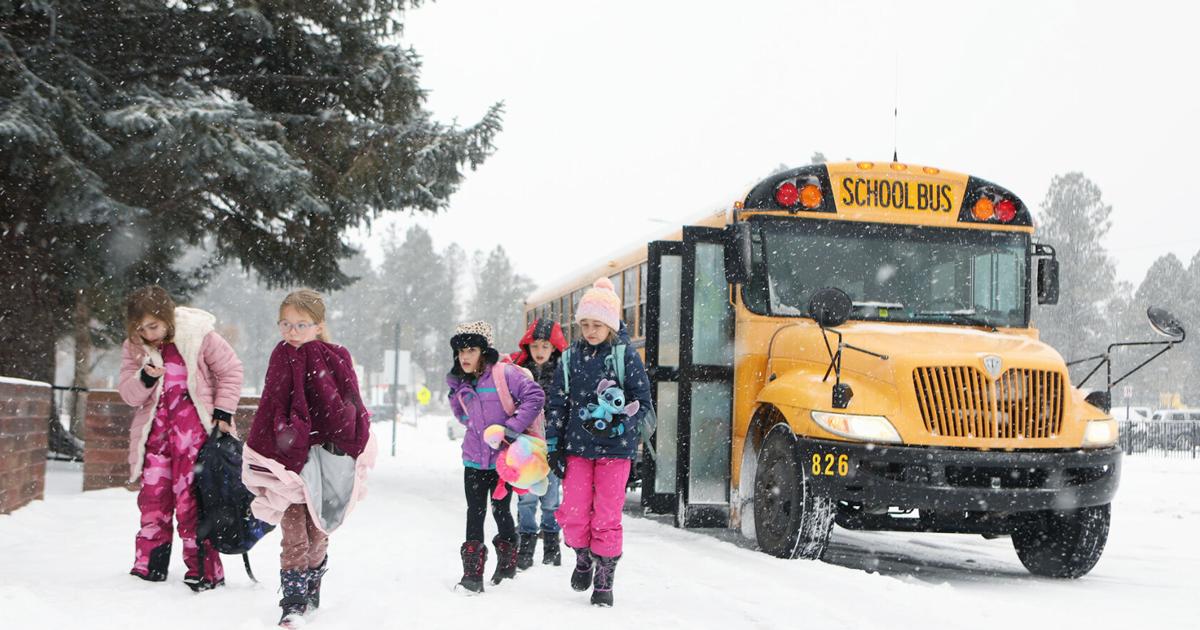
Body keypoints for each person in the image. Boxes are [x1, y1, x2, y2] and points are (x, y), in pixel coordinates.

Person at [242, 290, 376, 627]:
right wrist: (283, 434)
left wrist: (338, 431)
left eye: (301, 324)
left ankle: (313, 580)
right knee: (294, 536)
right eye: (286, 323)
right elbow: (273, 401)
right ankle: (293, 602)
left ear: (318, 325)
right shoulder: (281, 355)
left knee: (317, 534)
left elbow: (347, 400)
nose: (292, 331)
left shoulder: (335, 356)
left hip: (326, 457)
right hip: (289, 461)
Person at [117, 285, 243, 591]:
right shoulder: (135, 348)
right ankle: (150, 564)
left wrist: (223, 412)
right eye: (140, 328)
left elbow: (231, 370)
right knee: (153, 501)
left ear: (167, 318)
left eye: (153, 326)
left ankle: (203, 569)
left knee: (193, 504)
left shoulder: (198, 336)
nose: (147, 333)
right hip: (156, 441)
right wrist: (145, 378)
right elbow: (129, 395)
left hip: (195, 439)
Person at [547, 278, 652, 607]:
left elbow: (642, 401)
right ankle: (582, 556)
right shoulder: (569, 359)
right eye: (585, 324)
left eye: (598, 324)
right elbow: (556, 404)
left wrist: (621, 425)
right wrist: (553, 446)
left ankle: (605, 576)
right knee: (573, 512)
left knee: (607, 514)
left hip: (616, 451)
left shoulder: (625, 357)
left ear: (610, 325)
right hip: (577, 449)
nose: (590, 331)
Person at [448, 321, 545, 593]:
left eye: (471, 350)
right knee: (474, 511)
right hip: (473, 458)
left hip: (504, 460)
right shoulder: (461, 381)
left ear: (484, 351)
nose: (464, 356)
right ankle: (472, 575)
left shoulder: (505, 373)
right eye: (460, 351)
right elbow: (462, 414)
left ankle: (507, 561)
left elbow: (535, 396)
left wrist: (511, 429)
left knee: (501, 510)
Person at [509, 318, 568, 569]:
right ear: (528, 347)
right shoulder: (520, 373)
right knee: (526, 498)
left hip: (552, 444)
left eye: (545, 346)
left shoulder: (564, 374)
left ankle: (551, 545)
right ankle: (526, 543)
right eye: (535, 346)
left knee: (551, 498)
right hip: (526, 444)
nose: (540, 351)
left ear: (554, 347)